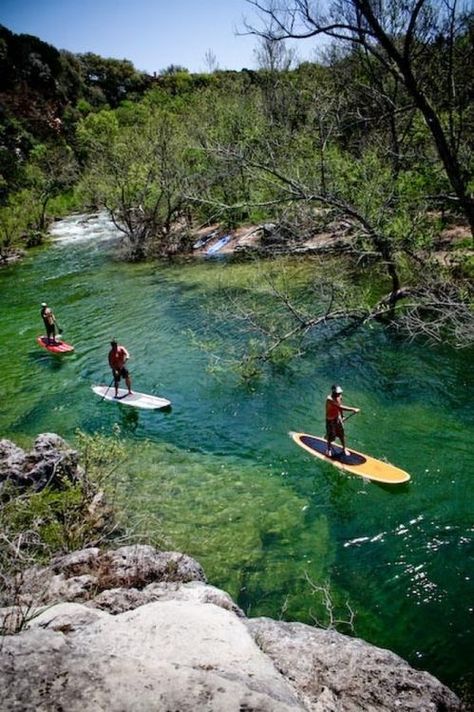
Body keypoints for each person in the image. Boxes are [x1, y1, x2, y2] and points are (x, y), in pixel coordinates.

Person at [325, 384, 360, 457]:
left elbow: (339, 408)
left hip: (337, 418)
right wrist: (353, 409)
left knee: (341, 434)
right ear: (333, 392)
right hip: (330, 419)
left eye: (339, 392)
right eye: (338, 393)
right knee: (330, 435)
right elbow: (340, 407)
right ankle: (329, 449)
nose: (339, 394)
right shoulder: (329, 399)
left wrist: (342, 415)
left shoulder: (339, 397)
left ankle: (344, 449)